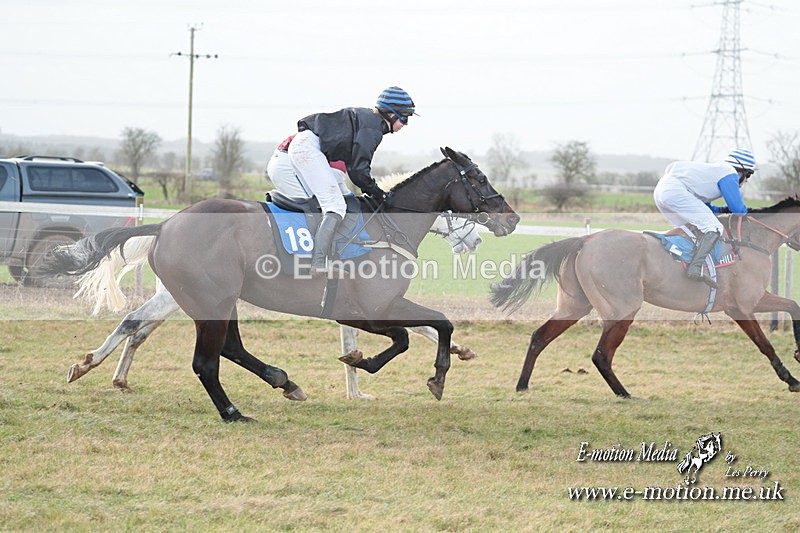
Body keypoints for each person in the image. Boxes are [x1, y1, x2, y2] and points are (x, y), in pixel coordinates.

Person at [286, 86, 417, 273]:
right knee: (335, 206)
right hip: (308, 149)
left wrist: (373, 190)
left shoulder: (370, 122)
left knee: (341, 198)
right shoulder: (372, 129)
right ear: (390, 114)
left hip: (308, 146)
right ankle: (318, 262)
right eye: (404, 118)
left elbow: (355, 168)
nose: (405, 124)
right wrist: (379, 193)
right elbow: (358, 171)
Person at [653, 148, 756, 288]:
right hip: (674, 191)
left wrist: (722, 210)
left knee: (689, 229)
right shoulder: (730, 173)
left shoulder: (716, 172)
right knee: (715, 228)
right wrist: (749, 213)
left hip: (662, 190)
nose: (747, 180)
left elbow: (705, 208)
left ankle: (679, 264)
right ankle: (695, 268)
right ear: (740, 171)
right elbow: (738, 208)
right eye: (749, 174)